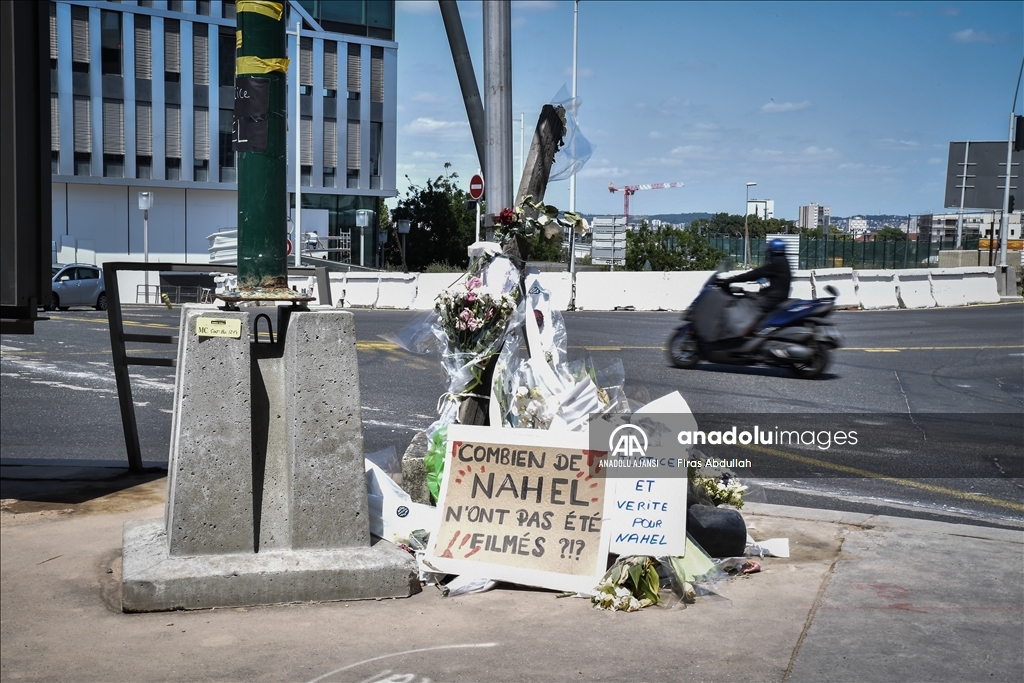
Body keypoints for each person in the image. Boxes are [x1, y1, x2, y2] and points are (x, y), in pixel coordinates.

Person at [719, 238, 792, 313]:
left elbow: (755, 274)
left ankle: (749, 325)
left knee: (747, 305)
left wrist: (731, 279)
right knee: (749, 297)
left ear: (772, 252)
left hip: (773, 300)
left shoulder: (777, 263)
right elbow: (779, 284)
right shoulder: (783, 261)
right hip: (777, 297)